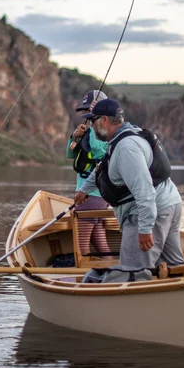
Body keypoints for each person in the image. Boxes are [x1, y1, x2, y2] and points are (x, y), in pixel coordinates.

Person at [74, 98, 184, 270]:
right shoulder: (125, 136)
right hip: (169, 203)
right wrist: (84, 190)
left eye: (93, 121)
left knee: (133, 270)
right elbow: (104, 166)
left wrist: (145, 228)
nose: (91, 126)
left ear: (104, 120)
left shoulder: (126, 148)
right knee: (172, 268)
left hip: (150, 212)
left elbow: (144, 190)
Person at [66, 90, 112, 257]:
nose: (86, 115)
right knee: (99, 241)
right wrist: (74, 137)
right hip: (95, 197)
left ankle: (84, 279)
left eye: (88, 111)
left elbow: (98, 151)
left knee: (81, 244)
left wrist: (93, 124)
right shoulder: (87, 131)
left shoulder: (103, 133)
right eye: (85, 111)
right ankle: (110, 271)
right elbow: (70, 154)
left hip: (92, 195)